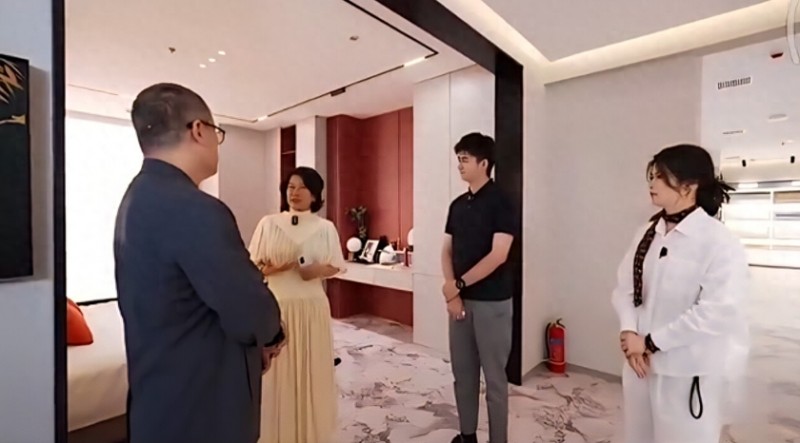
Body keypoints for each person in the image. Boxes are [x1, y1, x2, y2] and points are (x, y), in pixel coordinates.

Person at [114, 83, 285, 443]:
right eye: (216, 133)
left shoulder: (135, 197)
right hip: (202, 405)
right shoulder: (196, 209)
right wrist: (273, 334)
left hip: (159, 397)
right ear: (198, 130)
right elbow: (248, 308)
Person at [611, 144, 750, 443]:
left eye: (661, 176)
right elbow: (625, 288)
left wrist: (650, 342)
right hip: (639, 367)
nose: (652, 183)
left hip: (686, 372)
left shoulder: (718, 242)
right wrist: (629, 333)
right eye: (652, 175)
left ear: (689, 186)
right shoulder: (647, 233)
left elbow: (715, 312)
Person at [248, 166, 345, 443]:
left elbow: (335, 266)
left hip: (312, 307)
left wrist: (315, 271)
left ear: (315, 195)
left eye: (302, 187)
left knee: (311, 371)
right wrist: (279, 267)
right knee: (278, 372)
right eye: (291, 187)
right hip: (277, 307)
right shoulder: (268, 224)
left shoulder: (325, 228)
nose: (295, 192)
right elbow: (253, 267)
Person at [441, 133, 516, 443]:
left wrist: (457, 285)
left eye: (465, 159)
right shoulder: (457, 205)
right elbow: (446, 250)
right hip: (460, 303)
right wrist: (453, 291)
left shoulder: (502, 201)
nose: (459, 165)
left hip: (492, 304)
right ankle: (467, 435)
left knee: (495, 380)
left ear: (484, 163)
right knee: (463, 375)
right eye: (458, 159)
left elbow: (499, 255)